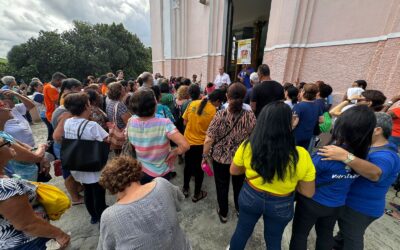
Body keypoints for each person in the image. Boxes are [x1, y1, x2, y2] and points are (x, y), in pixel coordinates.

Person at [229, 101, 316, 250]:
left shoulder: (248, 146)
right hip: (281, 203)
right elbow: (308, 192)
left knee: (242, 231)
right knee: (274, 238)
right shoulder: (301, 155)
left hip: (251, 195)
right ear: (289, 123)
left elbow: (234, 171)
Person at [290, 105, 376, 250]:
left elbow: (305, 175)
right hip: (337, 204)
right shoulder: (363, 156)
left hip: (312, 202)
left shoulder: (327, 153)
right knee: (325, 235)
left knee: (300, 235)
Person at [319, 112, 400, 250]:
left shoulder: (385, 155)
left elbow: (375, 174)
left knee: (352, 238)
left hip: (360, 207)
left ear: (377, 130)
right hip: (354, 204)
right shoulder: (373, 147)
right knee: (345, 233)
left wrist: (346, 157)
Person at [97, 156, 191, 250]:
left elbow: (105, 247)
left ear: (111, 187)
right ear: (137, 171)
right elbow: (179, 199)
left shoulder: (110, 216)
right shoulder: (162, 183)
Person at [0, 138, 70, 249]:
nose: (10, 144)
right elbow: (27, 224)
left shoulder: (4, 176)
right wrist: (59, 234)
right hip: (27, 242)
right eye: (6, 143)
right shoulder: (6, 186)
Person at [203, 83, 256, 223]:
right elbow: (254, 137)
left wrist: (205, 156)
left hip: (220, 158)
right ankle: (239, 210)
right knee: (239, 186)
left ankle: (224, 213)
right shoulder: (250, 115)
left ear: (227, 96)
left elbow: (209, 140)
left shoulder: (220, 115)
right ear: (244, 97)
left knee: (222, 185)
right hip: (240, 159)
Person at [54, 92, 109, 224]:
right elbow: (106, 139)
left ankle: (93, 216)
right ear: (86, 106)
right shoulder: (92, 126)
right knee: (98, 191)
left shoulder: (68, 122)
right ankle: (101, 215)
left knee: (88, 190)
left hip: (78, 163)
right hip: (93, 163)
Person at [127, 89, 189, 184]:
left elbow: (129, 140)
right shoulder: (165, 124)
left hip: (141, 169)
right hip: (161, 172)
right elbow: (185, 145)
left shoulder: (131, 121)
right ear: (155, 105)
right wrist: (175, 151)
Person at [182, 90, 226, 202]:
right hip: (201, 145)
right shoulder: (214, 112)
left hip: (187, 142)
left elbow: (184, 122)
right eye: (220, 103)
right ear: (217, 101)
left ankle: (185, 189)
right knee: (199, 170)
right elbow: (213, 133)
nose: (219, 105)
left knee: (187, 166)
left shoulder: (192, 103)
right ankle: (197, 194)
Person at [51, 91, 84, 205]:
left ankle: (78, 188)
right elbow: (57, 136)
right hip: (64, 148)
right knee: (69, 175)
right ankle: (75, 198)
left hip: (63, 148)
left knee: (70, 174)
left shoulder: (60, 109)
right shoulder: (66, 114)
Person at [292, 83, 324, 149]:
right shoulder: (317, 106)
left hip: (296, 136)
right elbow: (321, 120)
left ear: (303, 92)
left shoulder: (298, 106)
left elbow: (294, 123)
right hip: (309, 135)